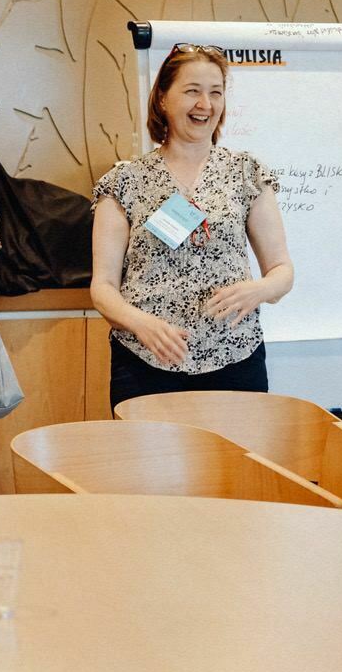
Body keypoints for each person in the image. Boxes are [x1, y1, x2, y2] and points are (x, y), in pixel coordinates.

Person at [89, 44, 294, 406]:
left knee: (235, 463)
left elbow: (282, 272)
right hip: (146, 363)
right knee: (150, 463)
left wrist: (258, 290)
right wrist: (140, 323)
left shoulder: (246, 173)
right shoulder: (125, 181)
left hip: (235, 359)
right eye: (192, 91)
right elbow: (103, 286)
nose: (206, 104)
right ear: (163, 99)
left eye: (216, 93)